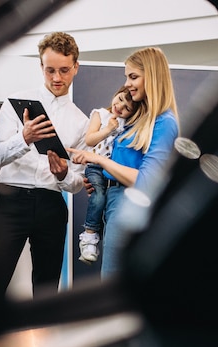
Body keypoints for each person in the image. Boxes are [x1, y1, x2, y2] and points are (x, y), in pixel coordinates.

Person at [0, 32, 89, 298]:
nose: (57, 78)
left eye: (64, 70)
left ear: (76, 67)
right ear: (41, 67)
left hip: (51, 205)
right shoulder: (14, 102)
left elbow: (78, 183)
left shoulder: (82, 122)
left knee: (46, 288)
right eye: (50, 70)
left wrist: (64, 173)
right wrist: (24, 138)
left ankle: (42, 338)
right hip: (9, 199)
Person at [68, 46, 180, 279]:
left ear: (152, 76)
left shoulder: (164, 122)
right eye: (127, 77)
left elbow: (147, 180)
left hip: (128, 206)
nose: (127, 84)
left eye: (133, 76)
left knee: (113, 281)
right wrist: (103, 181)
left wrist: (97, 159)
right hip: (114, 202)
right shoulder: (137, 119)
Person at [78, 86, 140, 265]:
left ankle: (98, 239)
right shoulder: (100, 114)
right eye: (120, 99)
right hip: (95, 167)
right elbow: (90, 140)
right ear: (116, 93)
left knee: (106, 203)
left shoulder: (126, 124)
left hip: (113, 173)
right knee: (97, 197)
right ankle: (89, 236)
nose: (120, 107)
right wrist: (108, 129)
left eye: (127, 107)